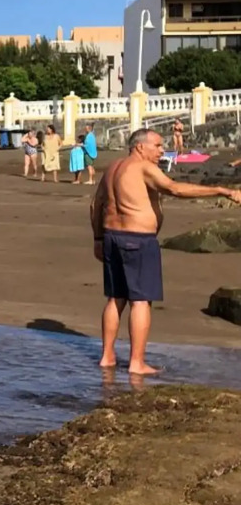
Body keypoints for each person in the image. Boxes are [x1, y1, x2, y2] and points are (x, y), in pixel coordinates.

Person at [91, 128, 241, 375]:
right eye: (158, 146)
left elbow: (96, 204)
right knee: (140, 301)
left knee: (116, 298)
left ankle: (107, 357)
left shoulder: (114, 167)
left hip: (112, 237)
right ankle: (137, 363)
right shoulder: (142, 167)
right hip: (137, 240)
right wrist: (223, 190)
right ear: (140, 147)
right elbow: (175, 189)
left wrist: (98, 238)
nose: (162, 150)